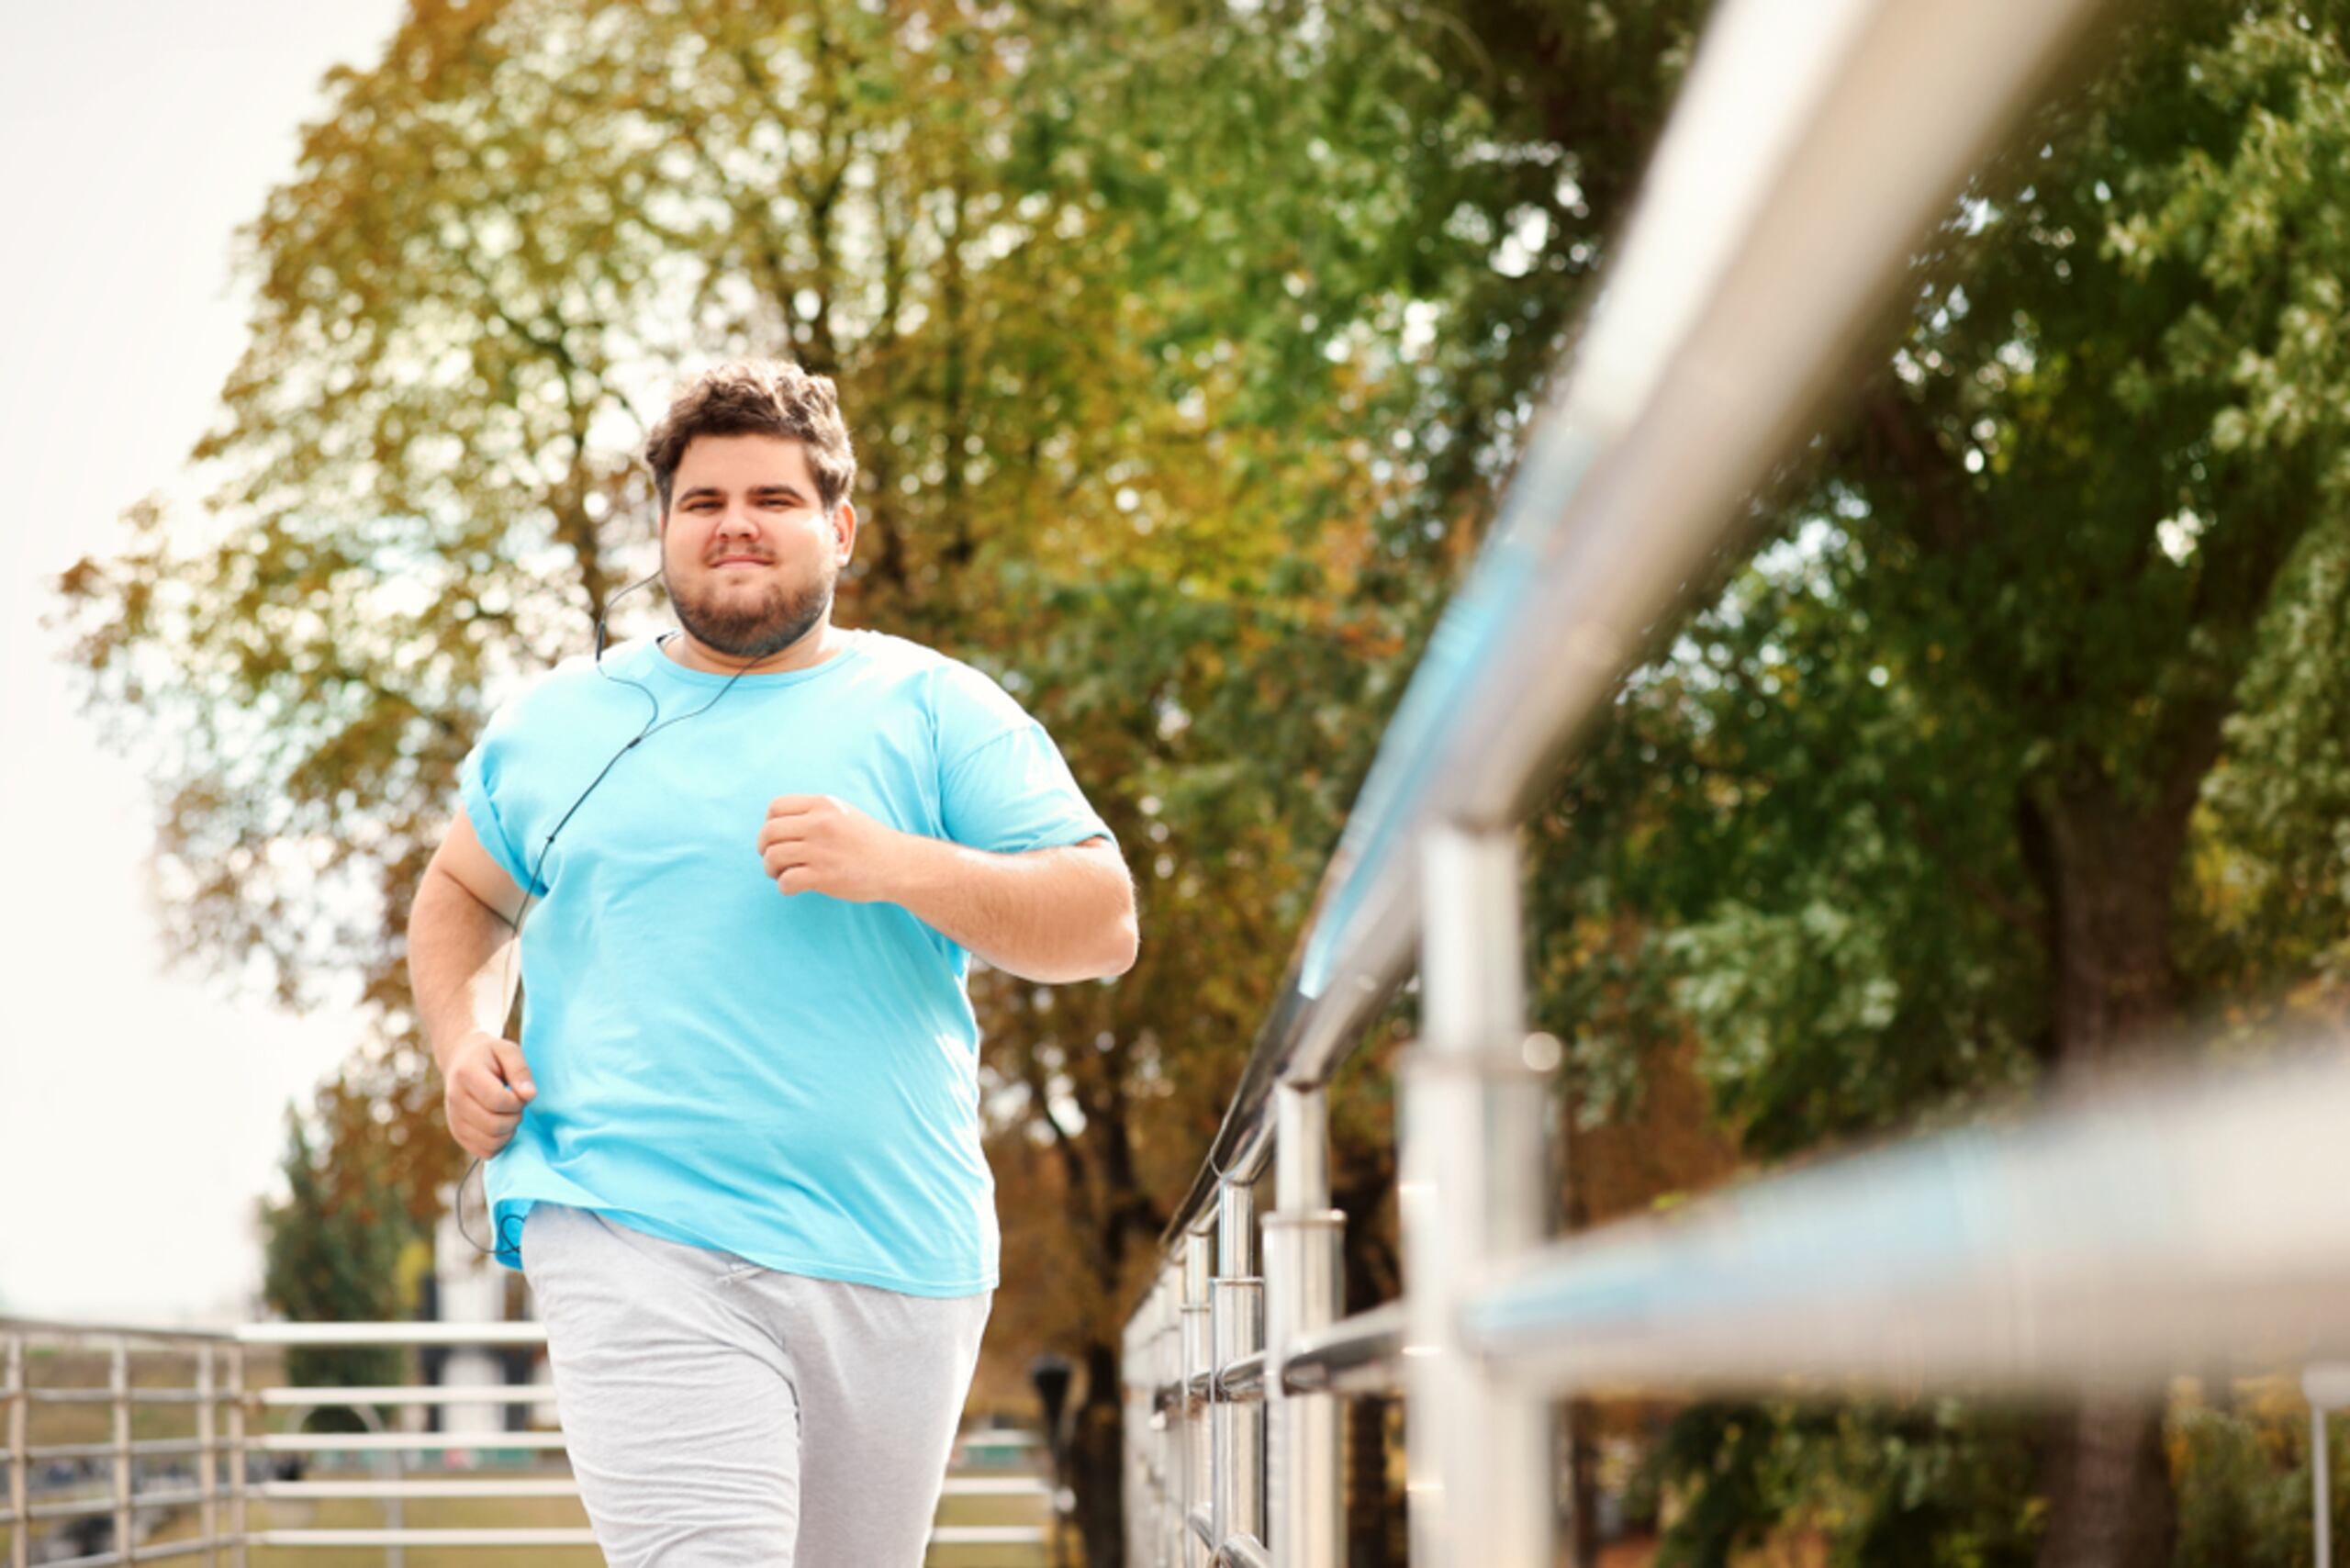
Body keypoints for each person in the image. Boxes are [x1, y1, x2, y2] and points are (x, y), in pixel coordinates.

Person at [405, 360, 1137, 1566]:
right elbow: (465, 896)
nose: (736, 523)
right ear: (662, 533)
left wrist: (902, 865)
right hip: (631, 1222)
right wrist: (461, 1039)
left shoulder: (941, 709)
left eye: (774, 499)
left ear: (838, 529)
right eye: (702, 503)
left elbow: (1099, 920)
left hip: (895, 1247)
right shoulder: (558, 725)